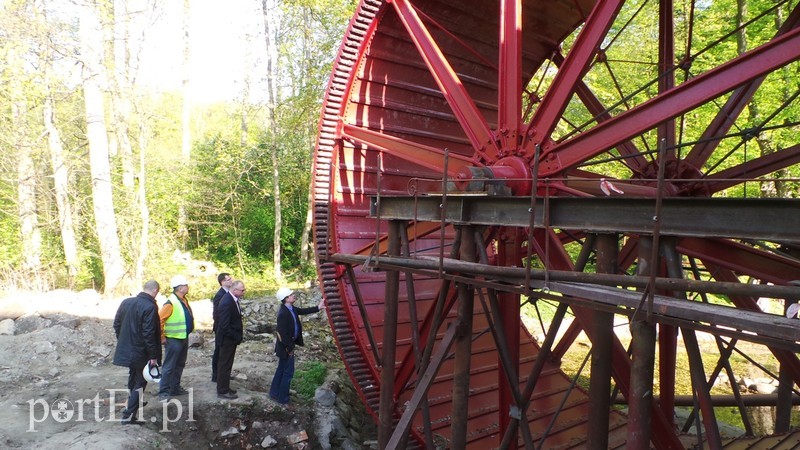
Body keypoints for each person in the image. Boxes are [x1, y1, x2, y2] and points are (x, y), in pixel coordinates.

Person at [112, 280, 162, 424]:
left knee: (133, 378)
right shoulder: (150, 306)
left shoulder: (126, 302)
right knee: (140, 382)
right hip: (142, 351)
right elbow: (149, 333)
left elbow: (117, 324)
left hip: (128, 349)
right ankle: (128, 415)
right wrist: (153, 356)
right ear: (155, 291)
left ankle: (132, 411)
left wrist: (123, 341)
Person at [269, 287, 325, 404]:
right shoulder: (283, 313)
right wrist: (290, 348)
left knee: (281, 369)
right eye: (291, 295)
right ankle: (283, 399)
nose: (294, 295)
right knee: (288, 372)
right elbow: (281, 333)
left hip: (287, 346)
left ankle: (274, 393)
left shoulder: (291, 308)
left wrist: (318, 307)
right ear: (286, 299)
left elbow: (302, 311)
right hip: (285, 347)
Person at [158, 275, 195, 402]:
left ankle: (175, 388)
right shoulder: (171, 303)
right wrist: (161, 337)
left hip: (182, 337)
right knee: (169, 366)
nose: (188, 287)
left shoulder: (182, 299)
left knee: (179, 364)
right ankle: (164, 392)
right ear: (180, 288)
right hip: (173, 339)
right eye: (186, 285)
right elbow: (159, 320)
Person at [216, 280, 245, 399]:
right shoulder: (227, 302)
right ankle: (222, 391)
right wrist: (235, 336)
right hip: (227, 339)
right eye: (242, 290)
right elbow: (224, 325)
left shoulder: (232, 299)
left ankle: (225, 387)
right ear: (234, 290)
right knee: (224, 364)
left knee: (228, 364)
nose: (244, 292)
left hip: (230, 339)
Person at [211, 272, 233, 382]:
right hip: (221, 329)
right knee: (219, 352)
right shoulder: (220, 295)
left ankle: (222, 374)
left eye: (231, 278)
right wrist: (224, 329)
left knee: (224, 353)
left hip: (225, 328)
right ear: (222, 282)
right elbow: (217, 315)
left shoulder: (229, 293)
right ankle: (216, 376)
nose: (231, 280)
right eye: (228, 279)